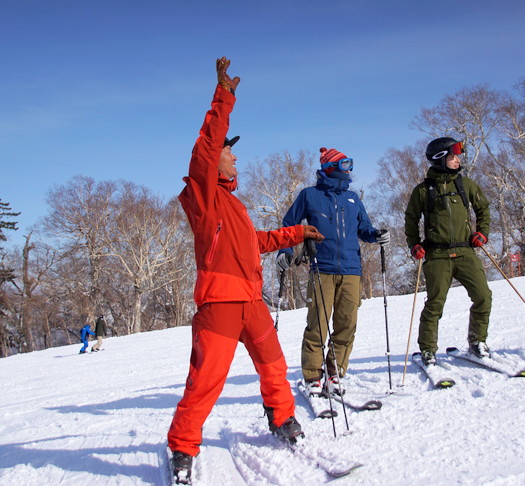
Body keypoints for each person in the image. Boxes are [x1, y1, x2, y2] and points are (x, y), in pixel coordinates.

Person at [166, 57, 325, 482]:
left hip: (252, 302)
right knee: (205, 383)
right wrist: (224, 97)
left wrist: (296, 233)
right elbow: (206, 143)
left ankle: (282, 418)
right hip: (219, 303)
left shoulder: (234, 205)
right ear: (213, 161)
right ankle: (182, 448)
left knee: (274, 365)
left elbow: (254, 244)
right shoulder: (204, 197)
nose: (236, 161)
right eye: (230, 155)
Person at [276, 146, 389, 396]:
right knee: (318, 324)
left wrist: (376, 235)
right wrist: (285, 250)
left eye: (350, 165)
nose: (349, 170)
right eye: (344, 165)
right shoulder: (309, 195)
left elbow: (364, 229)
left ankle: (335, 372)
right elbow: (289, 224)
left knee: (347, 323)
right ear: (330, 167)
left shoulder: (353, 199)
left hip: (351, 270)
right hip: (321, 268)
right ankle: (312, 376)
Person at [404, 137, 492, 365]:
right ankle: (428, 350)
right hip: (437, 255)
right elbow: (411, 219)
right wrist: (414, 244)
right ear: (440, 159)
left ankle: (477, 342)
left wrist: (482, 233)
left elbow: (483, 208)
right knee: (435, 303)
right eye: (452, 156)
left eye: (457, 156)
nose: (457, 160)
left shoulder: (466, 184)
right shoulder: (423, 191)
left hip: (465, 252)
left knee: (483, 296)